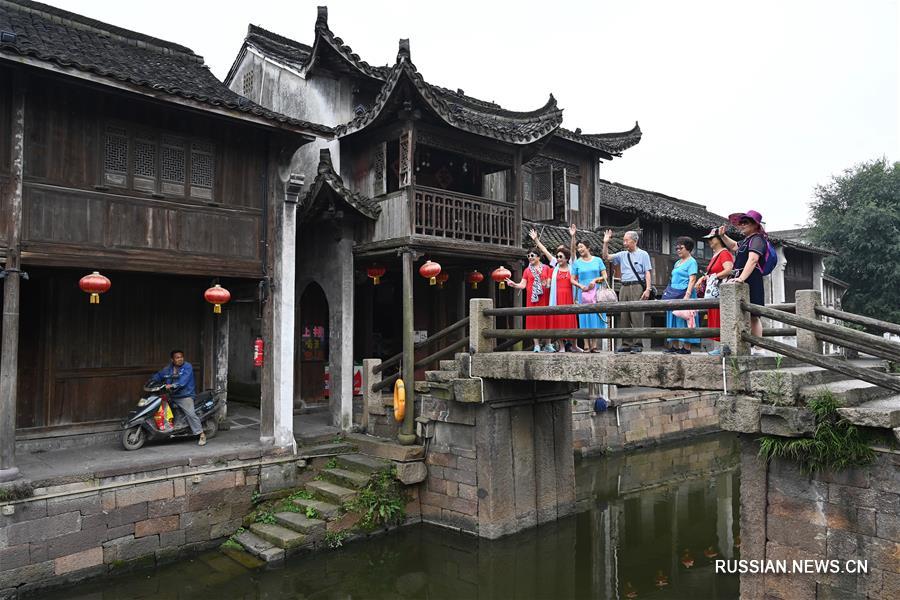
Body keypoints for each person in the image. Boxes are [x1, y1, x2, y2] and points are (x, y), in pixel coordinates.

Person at [719, 209, 767, 341]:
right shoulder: (747, 240)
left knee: (754, 315)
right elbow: (734, 246)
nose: (742, 225)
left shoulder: (757, 239)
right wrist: (723, 236)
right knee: (739, 312)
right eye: (741, 222)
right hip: (741, 278)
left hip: (751, 279)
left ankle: (758, 347)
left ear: (755, 224)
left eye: (745, 222)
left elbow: (753, 259)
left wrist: (741, 278)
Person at [602, 229, 653, 353]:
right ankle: (626, 344)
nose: (624, 243)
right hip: (624, 286)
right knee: (624, 315)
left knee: (637, 316)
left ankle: (637, 344)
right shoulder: (622, 254)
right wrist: (605, 243)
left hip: (637, 286)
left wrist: (648, 289)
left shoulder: (643, 254)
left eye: (626, 240)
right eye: (624, 240)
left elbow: (647, 272)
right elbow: (606, 257)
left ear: (634, 241)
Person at [531, 230, 578, 352]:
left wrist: (573, 237)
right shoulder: (555, 266)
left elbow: (573, 251)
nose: (557, 258)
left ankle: (574, 345)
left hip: (569, 296)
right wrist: (536, 240)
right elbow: (545, 251)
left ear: (567, 258)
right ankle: (561, 346)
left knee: (571, 320)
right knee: (558, 320)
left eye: (560, 256)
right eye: (557, 256)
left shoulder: (572, 265)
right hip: (557, 296)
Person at [150, 350, 206, 445]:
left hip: (185, 395)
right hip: (172, 395)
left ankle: (201, 434)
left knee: (190, 414)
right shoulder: (169, 369)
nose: (180, 359)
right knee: (158, 407)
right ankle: (167, 428)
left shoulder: (187, 367)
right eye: (177, 357)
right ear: (172, 359)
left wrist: (172, 385)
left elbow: (183, 382)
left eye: (181, 357)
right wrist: (151, 381)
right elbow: (159, 375)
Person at [569, 224, 609, 352]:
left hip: (596, 291)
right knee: (584, 317)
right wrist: (580, 286)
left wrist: (595, 280)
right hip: (583, 293)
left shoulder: (597, 260)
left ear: (588, 248)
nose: (579, 249)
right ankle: (586, 345)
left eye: (581, 247)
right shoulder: (577, 263)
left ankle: (594, 345)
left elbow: (605, 275)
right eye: (578, 247)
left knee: (595, 317)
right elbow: (572, 279)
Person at [505, 247, 552, 352]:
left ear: (538, 257)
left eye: (532, 255)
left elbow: (549, 283)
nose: (530, 258)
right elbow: (522, 285)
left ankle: (548, 344)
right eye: (528, 256)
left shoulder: (547, 268)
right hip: (532, 299)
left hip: (544, 297)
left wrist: (546, 284)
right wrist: (513, 284)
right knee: (534, 319)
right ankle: (536, 345)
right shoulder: (527, 270)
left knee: (546, 318)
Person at [697, 228, 735, 355]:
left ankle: (723, 347)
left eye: (711, 239)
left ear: (719, 240)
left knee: (720, 317)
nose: (709, 241)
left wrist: (714, 277)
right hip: (715, 291)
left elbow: (728, 270)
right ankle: (719, 347)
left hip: (720, 291)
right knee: (714, 316)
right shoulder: (716, 255)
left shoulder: (724, 253)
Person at [663, 237, 700, 354]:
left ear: (688, 248)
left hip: (685, 292)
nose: (678, 250)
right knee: (673, 318)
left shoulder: (692, 261)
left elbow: (693, 279)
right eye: (677, 248)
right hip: (674, 293)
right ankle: (674, 345)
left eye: (681, 248)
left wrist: (688, 295)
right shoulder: (677, 263)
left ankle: (687, 347)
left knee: (686, 318)